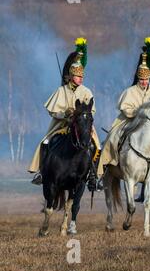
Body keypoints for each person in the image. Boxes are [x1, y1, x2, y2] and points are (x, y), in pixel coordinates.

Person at [28, 38, 101, 191]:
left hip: (82, 127)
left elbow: (91, 110)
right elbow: (52, 110)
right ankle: (42, 172)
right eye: (78, 76)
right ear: (71, 76)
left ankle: (94, 176)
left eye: (82, 76)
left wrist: (82, 116)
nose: (81, 78)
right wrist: (65, 114)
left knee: (96, 145)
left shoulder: (86, 91)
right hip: (62, 125)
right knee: (46, 142)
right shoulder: (62, 91)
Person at [97, 37, 150, 179]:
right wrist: (138, 113)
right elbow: (124, 108)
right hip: (129, 122)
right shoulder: (129, 91)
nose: (144, 82)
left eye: (146, 79)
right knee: (112, 137)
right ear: (138, 78)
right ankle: (104, 167)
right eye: (142, 79)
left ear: (149, 78)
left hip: (149, 126)